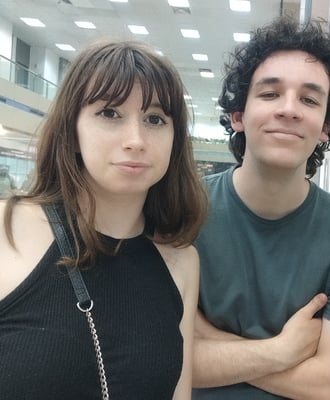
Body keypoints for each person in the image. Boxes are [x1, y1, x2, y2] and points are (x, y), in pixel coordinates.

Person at [0, 40, 207, 399]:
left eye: (155, 119)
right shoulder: (9, 228)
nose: (136, 140)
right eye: (110, 113)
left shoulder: (180, 260)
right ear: (72, 130)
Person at [192, 17, 330, 399]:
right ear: (238, 115)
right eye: (270, 93)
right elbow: (166, 356)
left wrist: (208, 341)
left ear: (325, 127)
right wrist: (282, 351)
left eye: (309, 100)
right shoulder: (184, 211)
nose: (289, 110)